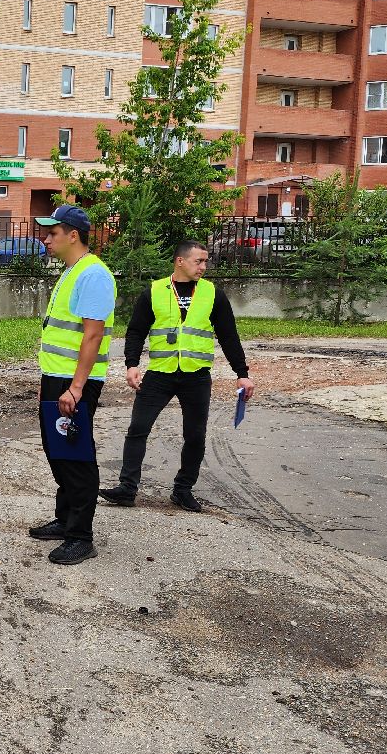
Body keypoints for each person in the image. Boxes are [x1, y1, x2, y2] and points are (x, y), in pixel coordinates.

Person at [100, 241, 255, 512]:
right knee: (138, 429)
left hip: (196, 375)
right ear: (180, 261)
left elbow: (229, 336)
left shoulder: (212, 294)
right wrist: (131, 364)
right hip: (160, 373)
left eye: (206, 261)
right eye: (199, 261)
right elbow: (136, 331)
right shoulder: (154, 291)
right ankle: (127, 488)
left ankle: (183, 490)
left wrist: (242, 374)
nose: (204, 267)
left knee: (195, 435)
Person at [27, 204, 116, 567]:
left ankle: (81, 536)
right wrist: (50, 381)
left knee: (76, 455)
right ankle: (65, 519)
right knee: (59, 450)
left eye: (53, 233)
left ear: (73, 235)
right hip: (58, 379)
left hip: (75, 383)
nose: (46, 239)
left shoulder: (93, 275)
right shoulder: (73, 271)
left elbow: (92, 336)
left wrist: (76, 388)